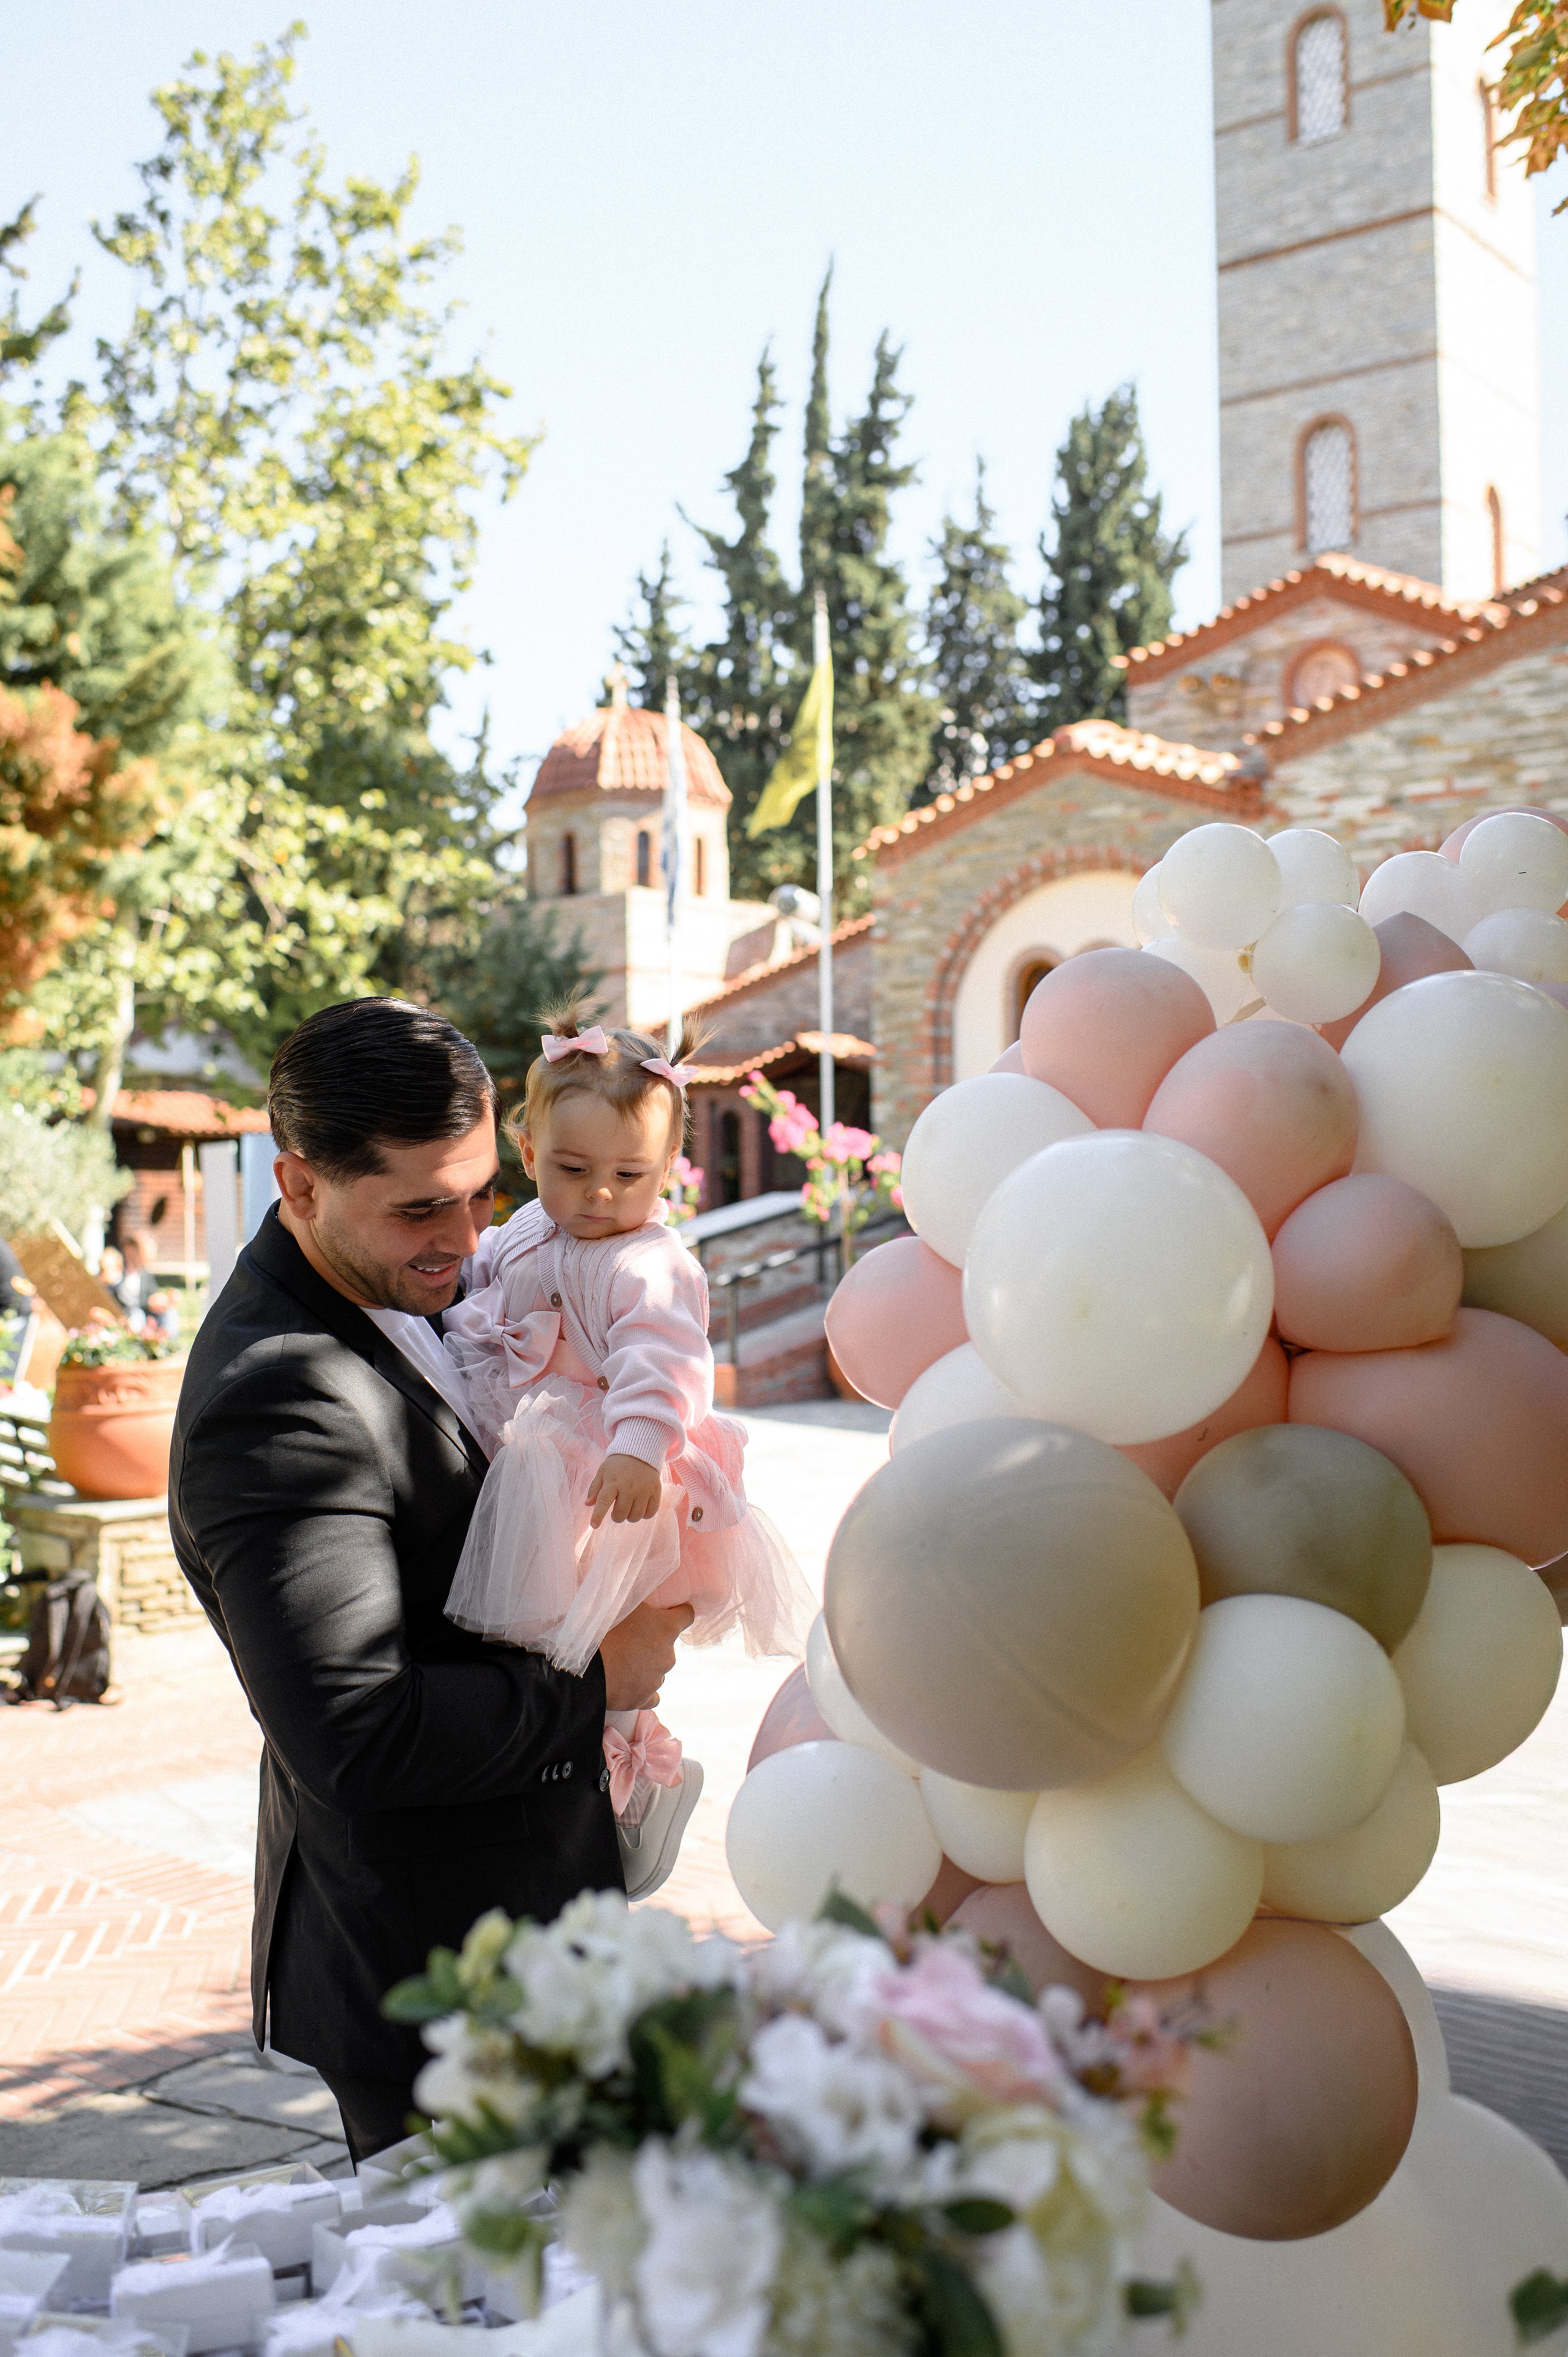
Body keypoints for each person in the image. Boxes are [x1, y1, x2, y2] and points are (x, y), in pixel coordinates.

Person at [168, 999, 690, 2165]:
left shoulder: (426, 1284)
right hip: (438, 1974)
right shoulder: (279, 1394)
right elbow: (355, 1731)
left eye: (478, 1195)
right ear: (297, 1184)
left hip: (533, 1919)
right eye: (418, 1208)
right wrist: (601, 1677)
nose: (464, 1241)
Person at [442, 1011, 812, 1898]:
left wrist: (641, 1447)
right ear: (529, 1155)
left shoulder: (649, 1265)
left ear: (666, 1174)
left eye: (629, 1176)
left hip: (611, 1479)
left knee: (610, 1648)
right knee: (552, 1654)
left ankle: (640, 1787)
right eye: (575, 1171)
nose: (600, 1194)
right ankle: (578, 1789)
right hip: (539, 1461)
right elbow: (479, 1281)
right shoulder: (527, 1231)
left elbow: (666, 1360)